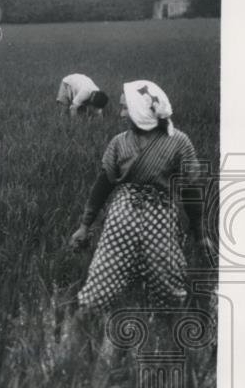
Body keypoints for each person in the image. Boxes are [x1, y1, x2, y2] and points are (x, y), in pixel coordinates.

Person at [69, 80, 214, 308]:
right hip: (122, 217)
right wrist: (85, 226)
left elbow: (191, 189)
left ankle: (167, 322)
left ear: (141, 112)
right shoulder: (119, 143)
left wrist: (201, 233)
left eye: (126, 108)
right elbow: (102, 185)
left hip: (161, 216)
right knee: (103, 277)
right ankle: (89, 315)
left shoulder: (178, 142)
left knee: (168, 282)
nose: (121, 114)